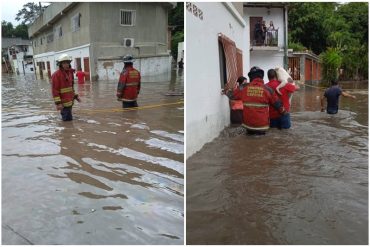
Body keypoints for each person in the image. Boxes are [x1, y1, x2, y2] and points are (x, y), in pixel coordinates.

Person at [225, 67, 287, 135]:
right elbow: (277, 104)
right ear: (261, 77)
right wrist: (284, 112)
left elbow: (232, 95)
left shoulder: (243, 87)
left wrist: (226, 91)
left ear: (251, 77)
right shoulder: (268, 89)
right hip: (262, 126)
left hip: (248, 125)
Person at [51, 53, 80, 121]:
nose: (66, 65)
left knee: (69, 121)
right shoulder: (56, 75)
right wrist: (58, 103)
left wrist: (76, 96)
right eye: (64, 63)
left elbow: (71, 88)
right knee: (67, 121)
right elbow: (55, 90)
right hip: (63, 104)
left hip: (70, 102)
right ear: (60, 64)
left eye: (67, 63)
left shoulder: (70, 73)